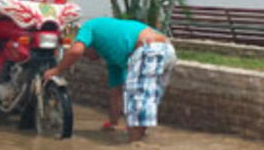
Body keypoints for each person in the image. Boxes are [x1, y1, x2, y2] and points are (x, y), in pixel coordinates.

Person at [44, 17, 178, 143]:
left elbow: (75, 51)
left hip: (149, 48)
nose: (88, 58)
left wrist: (56, 70)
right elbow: (116, 93)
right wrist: (113, 123)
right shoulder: (114, 60)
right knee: (145, 103)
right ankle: (139, 141)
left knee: (136, 104)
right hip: (167, 51)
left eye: (87, 53)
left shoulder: (89, 26)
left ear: (89, 43)